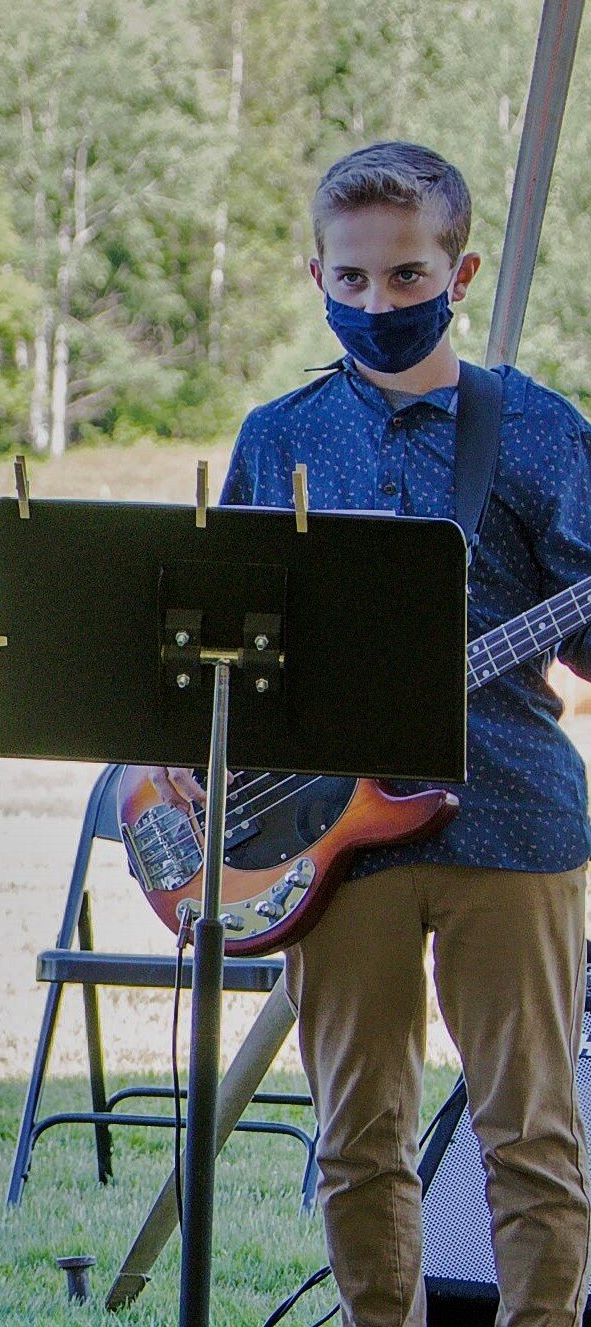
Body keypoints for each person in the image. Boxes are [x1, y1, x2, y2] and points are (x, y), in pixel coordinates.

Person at [221, 141, 591, 1326]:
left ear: (459, 269)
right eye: (351, 281)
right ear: (315, 275)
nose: (376, 303)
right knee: (354, 1132)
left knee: (528, 1131)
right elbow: (227, 643)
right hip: (331, 832)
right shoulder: (273, 432)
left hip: (512, 813)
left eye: (404, 278)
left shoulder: (535, 429)